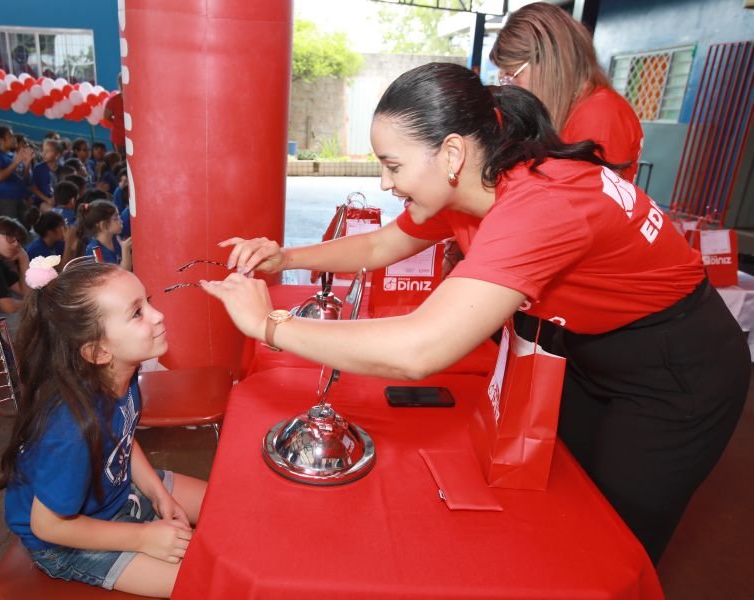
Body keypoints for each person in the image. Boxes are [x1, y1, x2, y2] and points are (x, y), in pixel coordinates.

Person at [202, 63, 750, 565]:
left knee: (609, 544)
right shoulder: (479, 184)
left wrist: (270, 325)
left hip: (677, 369)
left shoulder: (539, 206)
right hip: (588, 350)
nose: (384, 184)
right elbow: (376, 248)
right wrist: (285, 257)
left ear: (452, 154)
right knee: (559, 503)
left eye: (393, 166)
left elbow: (419, 350)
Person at [0, 258, 205, 596]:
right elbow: (47, 525)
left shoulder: (120, 372)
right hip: (66, 540)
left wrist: (157, 493)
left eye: (148, 301)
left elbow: (122, 437)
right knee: (210, 581)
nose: (158, 315)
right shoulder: (71, 429)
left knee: (224, 504)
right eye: (137, 312)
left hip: (116, 490)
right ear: (97, 351)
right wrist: (143, 537)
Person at [490, 2, 643, 181]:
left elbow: (586, 202)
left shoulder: (599, 114)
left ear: (548, 62)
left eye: (513, 75)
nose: (512, 87)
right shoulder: (572, 108)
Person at [0, 125, 32, 222]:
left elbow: (25, 179)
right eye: (10, 136)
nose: (14, 139)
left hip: (21, 198)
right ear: (0, 140)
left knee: (24, 229)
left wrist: (27, 164)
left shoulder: (13, 155)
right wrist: (16, 162)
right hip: (6, 200)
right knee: (10, 230)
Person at [80, 200, 131, 270]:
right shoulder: (94, 251)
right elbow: (118, 277)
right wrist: (125, 251)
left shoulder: (117, 240)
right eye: (116, 218)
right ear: (103, 225)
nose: (121, 221)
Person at [30, 139, 61, 211]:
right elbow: (34, 188)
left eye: (48, 151)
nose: (44, 153)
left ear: (57, 154)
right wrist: (47, 200)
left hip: (57, 202)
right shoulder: (38, 168)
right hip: (42, 202)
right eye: (43, 150)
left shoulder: (62, 169)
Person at [103, 75, 126, 155]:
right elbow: (106, 116)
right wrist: (117, 123)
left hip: (134, 138)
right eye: (121, 83)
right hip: (119, 139)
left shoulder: (136, 99)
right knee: (122, 161)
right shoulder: (114, 100)